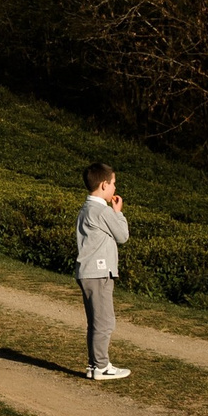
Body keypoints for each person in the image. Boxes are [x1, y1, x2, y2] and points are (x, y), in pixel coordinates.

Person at [76, 162, 130, 381]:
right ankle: (100, 366)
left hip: (89, 272)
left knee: (97, 321)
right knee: (105, 322)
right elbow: (123, 235)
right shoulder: (101, 211)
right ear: (103, 184)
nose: (115, 188)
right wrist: (118, 213)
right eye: (113, 183)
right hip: (98, 273)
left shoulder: (87, 209)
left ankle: (94, 365)